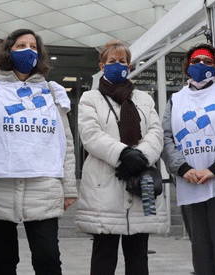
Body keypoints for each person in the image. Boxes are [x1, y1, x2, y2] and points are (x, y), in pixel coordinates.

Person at [0, 29, 76, 275]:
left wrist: (70, 187)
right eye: (21, 45)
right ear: (8, 51)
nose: (28, 50)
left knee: (48, 260)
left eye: (33, 46)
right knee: (4, 260)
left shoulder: (51, 92)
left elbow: (66, 144)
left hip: (43, 186)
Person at [74, 40, 167, 275]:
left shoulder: (144, 99)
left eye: (122, 61)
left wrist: (141, 158)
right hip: (104, 186)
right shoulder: (89, 99)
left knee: (138, 258)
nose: (117, 65)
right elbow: (91, 135)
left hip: (139, 183)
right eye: (112, 61)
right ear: (102, 66)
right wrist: (123, 154)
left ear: (130, 65)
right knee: (104, 257)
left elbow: (156, 133)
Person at [161, 43, 215, 275]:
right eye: (195, 61)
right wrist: (182, 168)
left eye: (207, 61)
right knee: (199, 253)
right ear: (187, 67)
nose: (200, 65)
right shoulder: (175, 100)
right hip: (189, 183)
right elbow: (166, 138)